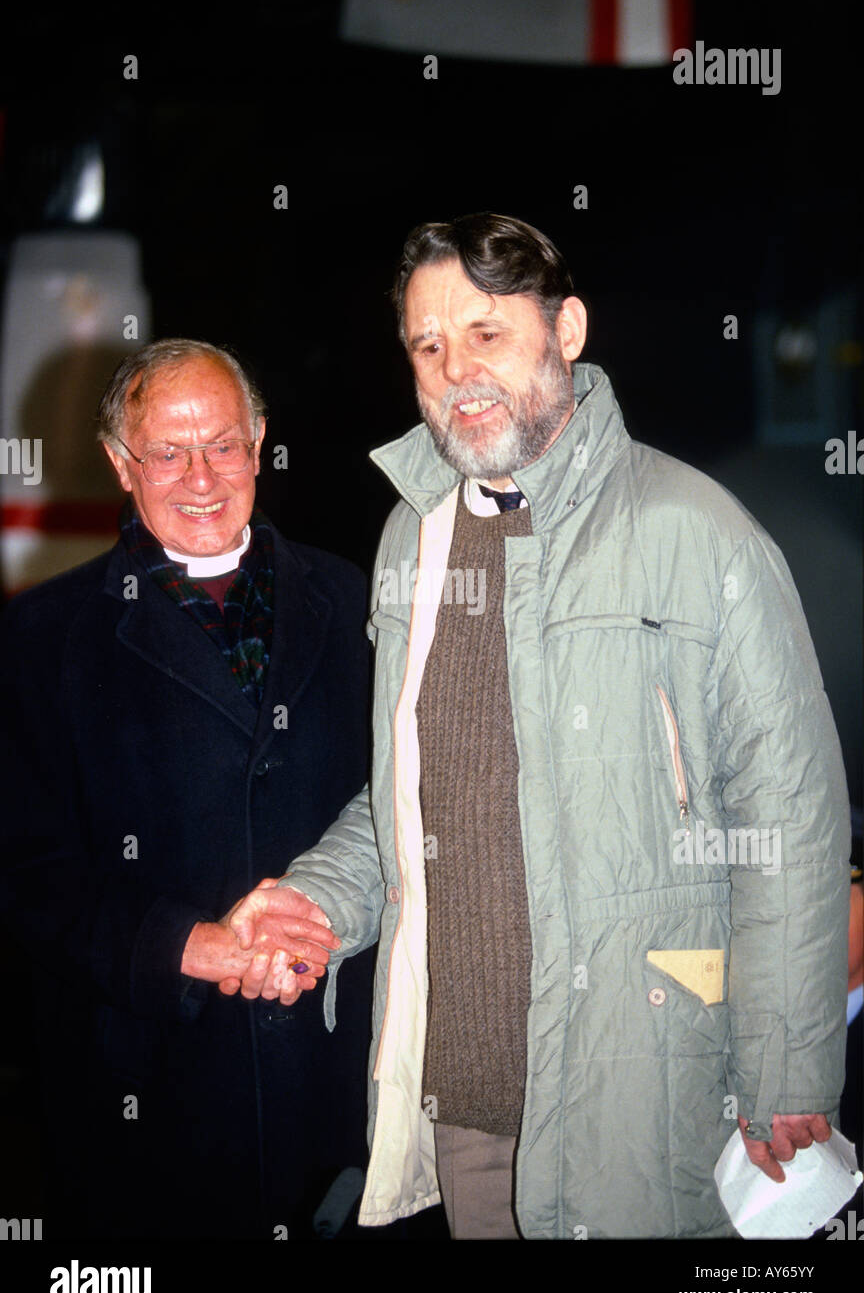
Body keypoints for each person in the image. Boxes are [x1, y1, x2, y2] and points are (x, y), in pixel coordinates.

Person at [225, 215, 851, 1239]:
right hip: (468, 1094)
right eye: (427, 346)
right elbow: (416, 794)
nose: (455, 370)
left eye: (486, 333)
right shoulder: (411, 538)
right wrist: (313, 901)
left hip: (638, 1089)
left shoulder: (693, 531)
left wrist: (789, 1063)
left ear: (567, 330)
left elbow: (790, 812)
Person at [0, 338, 373, 1239]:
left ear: (260, 443)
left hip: (336, 1087)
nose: (200, 476)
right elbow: (24, 873)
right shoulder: (41, 638)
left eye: (223, 445)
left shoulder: (358, 597)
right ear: (120, 467)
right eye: (166, 452)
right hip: (145, 1098)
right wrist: (183, 945)